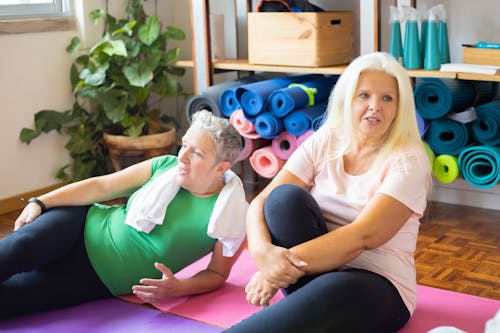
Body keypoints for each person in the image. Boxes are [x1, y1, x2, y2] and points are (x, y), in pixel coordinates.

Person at [224, 52, 432, 333]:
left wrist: (277, 272)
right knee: (284, 199)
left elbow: (363, 236)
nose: (374, 107)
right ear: (347, 98)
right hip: (313, 270)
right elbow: (261, 202)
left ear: (399, 107)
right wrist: (263, 255)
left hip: (375, 284)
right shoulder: (328, 138)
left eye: (387, 98)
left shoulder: (408, 160)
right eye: (364, 96)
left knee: (335, 287)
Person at [0, 110, 248, 318]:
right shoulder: (164, 166)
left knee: (10, 301)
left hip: (96, 279)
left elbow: (217, 273)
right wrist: (40, 202)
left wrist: (179, 288)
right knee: (18, 247)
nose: (182, 156)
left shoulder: (230, 213)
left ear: (221, 167)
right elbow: (103, 186)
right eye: (184, 144)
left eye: (196, 152)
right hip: (79, 226)